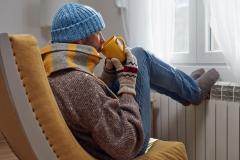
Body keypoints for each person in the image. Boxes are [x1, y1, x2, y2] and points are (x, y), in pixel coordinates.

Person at [41, 2, 219, 160]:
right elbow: (125, 144)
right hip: (130, 141)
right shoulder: (78, 82)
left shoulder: (56, 72)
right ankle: (193, 91)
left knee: (136, 59)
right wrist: (126, 86)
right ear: (81, 38)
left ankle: (187, 89)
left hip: (105, 140)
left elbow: (92, 107)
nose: (103, 40)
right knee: (139, 55)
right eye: (97, 33)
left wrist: (108, 77)